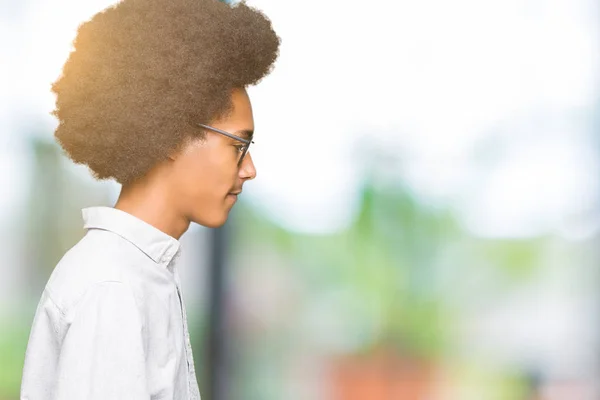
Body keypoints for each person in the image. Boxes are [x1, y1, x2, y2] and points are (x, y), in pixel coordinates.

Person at [20, 0, 280, 398]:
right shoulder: (113, 286)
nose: (250, 169)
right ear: (175, 135)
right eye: (238, 146)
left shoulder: (138, 272)